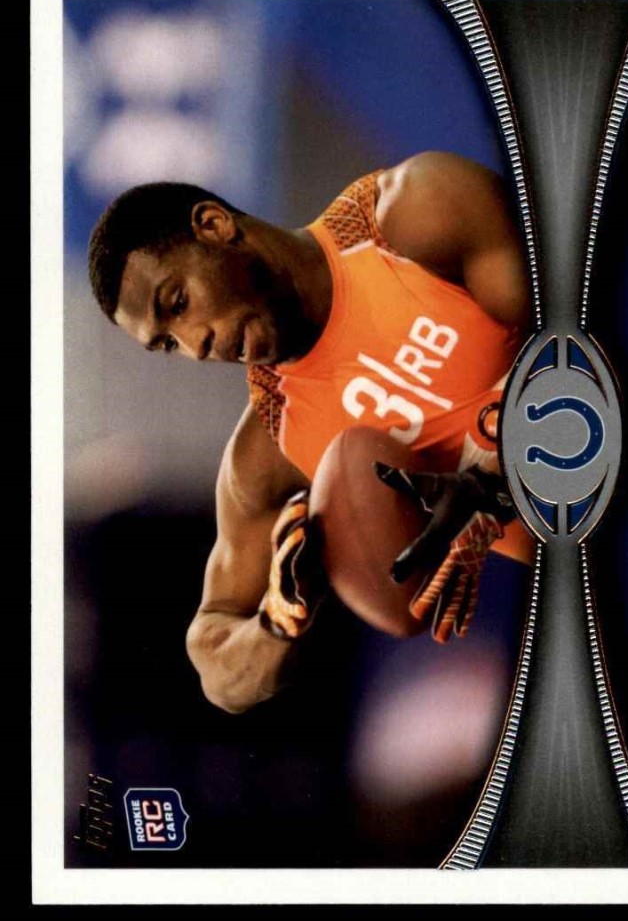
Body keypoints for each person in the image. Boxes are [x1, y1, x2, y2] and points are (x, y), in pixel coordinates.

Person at [88, 151, 534, 714]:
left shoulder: (411, 216)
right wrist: (277, 618)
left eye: (178, 303)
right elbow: (217, 669)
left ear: (214, 226)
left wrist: (488, 481)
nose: (196, 345)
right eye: (168, 344)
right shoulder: (269, 450)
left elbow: (586, 324)